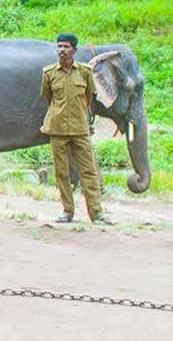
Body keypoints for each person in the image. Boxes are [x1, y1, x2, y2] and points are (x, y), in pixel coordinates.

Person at [40, 33, 113, 225]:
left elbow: (89, 98)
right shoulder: (49, 73)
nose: (62, 50)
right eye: (59, 46)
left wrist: (79, 115)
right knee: (61, 172)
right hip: (57, 129)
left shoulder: (85, 72)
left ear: (74, 50)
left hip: (80, 129)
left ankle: (96, 213)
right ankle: (67, 211)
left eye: (66, 47)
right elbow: (48, 98)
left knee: (88, 171)